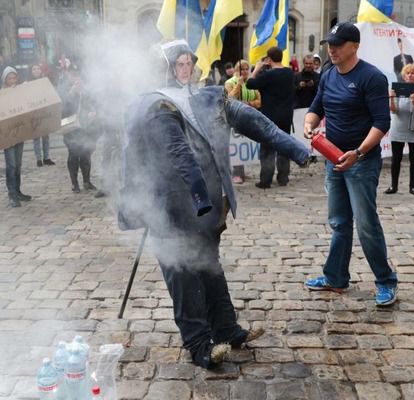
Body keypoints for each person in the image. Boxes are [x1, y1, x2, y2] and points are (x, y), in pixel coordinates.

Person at [119, 39, 314, 369]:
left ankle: (225, 328)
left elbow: (255, 121)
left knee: (209, 265)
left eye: (188, 63)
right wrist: (199, 198)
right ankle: (198, 345)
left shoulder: (208, 98)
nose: (186, 69)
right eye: (178, 63)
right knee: (183, 274)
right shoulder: (154, 105)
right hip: (168, 208)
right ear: (164, 67)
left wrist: (297, 150)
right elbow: (179, 153)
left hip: (207, 205)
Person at [302, 22, 398, 306]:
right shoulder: (329, 74)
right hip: (333, 159)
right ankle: (335, 277)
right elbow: (316, 108)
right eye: (330, 44)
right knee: (339, 222)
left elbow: (382, 123)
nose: (332, 49)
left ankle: (385, 281)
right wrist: (310, 125)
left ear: (354, 46)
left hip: (362, 162)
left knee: (366, 224)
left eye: (338, 44)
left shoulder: (372, 78)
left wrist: (358, 151)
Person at [246, 47, 296, 188]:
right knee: (284, 147)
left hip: (269, 117)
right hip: (286, 116)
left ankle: (266, 180)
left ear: (269, 59)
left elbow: (250, 84)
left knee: (267, 150)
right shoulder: (289, 73)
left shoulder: (268, 76)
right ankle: (283, 178)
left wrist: (256, 69)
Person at [385, 64, 414, 196]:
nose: (410, 75)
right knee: (396, 159)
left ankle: (413, 187)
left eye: (413, 73)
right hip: (399, 128)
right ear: (404, 76)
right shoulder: (398, 88)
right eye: (408, 73)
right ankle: (393, 186)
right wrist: (391, 98)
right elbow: (393, 110)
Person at [60, 65, 103, 194]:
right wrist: (72, 94)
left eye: (79, 79)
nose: (77, 82)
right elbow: (63, 110)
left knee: (86, 155)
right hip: (72, 129)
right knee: (73, 155)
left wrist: (93, 112)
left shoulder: (87, 93)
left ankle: (87, 181)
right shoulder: (65, 92)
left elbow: (95, 105)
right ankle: (74, 183)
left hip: (86, 128)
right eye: (74, 79)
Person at [225, 59, 261, 184]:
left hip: (250, 116)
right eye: (242, 69)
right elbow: (230, 98)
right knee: (237, 144)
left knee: (246, 144)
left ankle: (243, 170)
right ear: (236, 71)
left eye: (247, 69)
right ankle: (237, 172)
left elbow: (259, 101)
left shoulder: (252, 82)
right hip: (235, 118)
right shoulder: (230, 82)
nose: (245, 71)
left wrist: (250, 103)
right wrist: (239, 85)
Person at [1, 67, 32, 207]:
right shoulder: (0, 94)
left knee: (18, 164)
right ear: (5, 80)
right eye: (9, 78)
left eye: (14, 78)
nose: (12, 81)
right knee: (11, 164)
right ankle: (11, 194)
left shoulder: (19, 91)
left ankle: (18, 191)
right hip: (7, 135)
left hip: (19, 131)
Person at [29, 64, 55, 167]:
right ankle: (38, 159)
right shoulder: (28, 83)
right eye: (34, 69)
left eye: (37, 68)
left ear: (40, 71)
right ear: (31, 72)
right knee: (36, 137)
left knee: (46, 136)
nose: (36, 70)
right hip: (34, 112)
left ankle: (46, 157)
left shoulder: (45, 81)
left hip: (44, 111)